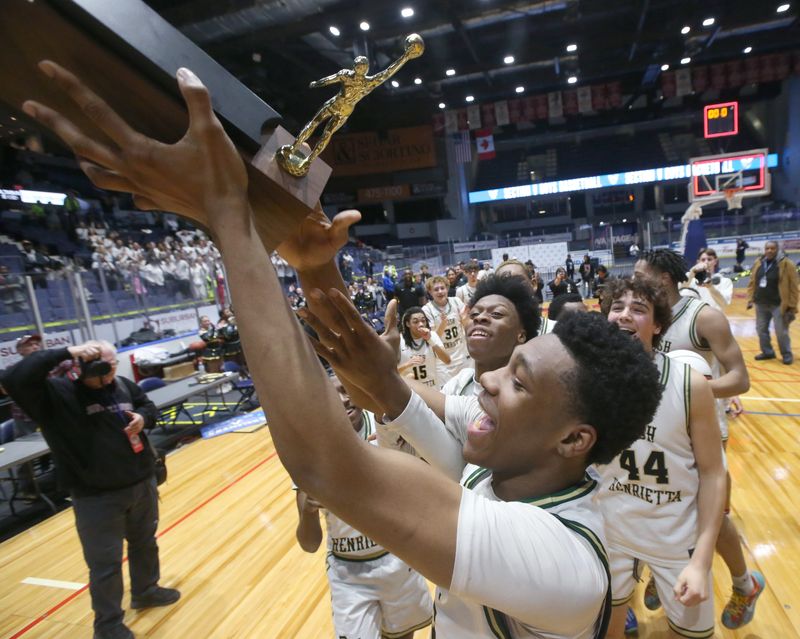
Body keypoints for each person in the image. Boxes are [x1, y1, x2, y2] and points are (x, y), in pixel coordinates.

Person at [24, 64, 660, 636]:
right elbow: (380, 382)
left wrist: (227, 213)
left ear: (575, 440)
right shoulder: (509, 462)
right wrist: (311, 268)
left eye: (518, 383)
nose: (487, 384)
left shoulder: (561, 559)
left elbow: (326, 465)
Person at [0, 339, 179, 639]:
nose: (107, 375)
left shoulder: (121, 384)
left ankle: (146, 590)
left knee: (145, 542)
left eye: (111, 366)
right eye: (98, 367)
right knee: (105, 564)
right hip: (96, 497)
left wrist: (143, 418)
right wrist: (66, 352)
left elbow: (147, 404)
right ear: (78, 366)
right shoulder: (55, 395)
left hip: (140, 482)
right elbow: (12, 378)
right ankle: (108, 625)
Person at [635, 249, 763, 631]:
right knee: (652, 501)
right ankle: (663, 567)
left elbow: (740, 379)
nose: (636, 281)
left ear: (663, 279)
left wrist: (695, 391)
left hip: (704, 431)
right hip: (657, 429)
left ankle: (744, 584)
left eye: (642, 275)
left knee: (710, 514)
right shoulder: (647, 318)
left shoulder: (702, 316)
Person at [599, 277, 726, 639]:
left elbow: (714, 474)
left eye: (638, 309)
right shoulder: (586, 379)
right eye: (617, 308)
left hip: (675, 535)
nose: (624, 315)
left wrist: (701, 562)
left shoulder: (689, 383)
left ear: (657, 325)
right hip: (612, 530)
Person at [295, 375, 432, 639]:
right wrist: (307, 511)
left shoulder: (385, 430)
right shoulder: (311, 453)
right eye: (334, 393)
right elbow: (309, 544)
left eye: (347, 390)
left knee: (403, 635)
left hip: (398, 559)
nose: (344, 398)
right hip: (349, 573)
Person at [440, 274, 540, 398]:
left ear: (521, 335)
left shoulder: (533, 394)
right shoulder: (457, 384)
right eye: (474, 314)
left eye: (496, 314)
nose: (480, 317)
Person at [746, 240, 798, 365]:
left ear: (777, 249)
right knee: (761, 330)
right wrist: (750, 299)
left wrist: (791, 306)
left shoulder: (787, 264)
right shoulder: (759, 262)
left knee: (781, 332)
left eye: (772, 248)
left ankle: (786, 354)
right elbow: (753, 281)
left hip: (779, 304)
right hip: (761, 303)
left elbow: (794, 287)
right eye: (767, 248)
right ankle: (768, 352)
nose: (769, 251)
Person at [423, 275, 469, 384]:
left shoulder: (456, 301)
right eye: (436, 289)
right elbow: (433, 338)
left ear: (447, 288)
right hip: (443, 361)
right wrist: (443, 324)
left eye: (442, 288)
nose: (440, 292)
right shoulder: (426, 309)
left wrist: (464, 319)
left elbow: (466, 326)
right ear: (430, 292)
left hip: (461, 355)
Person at [398, 306, 450, 388]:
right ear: (408, 324)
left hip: (433, 389)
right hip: (412, 392)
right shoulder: (399, 341)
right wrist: (407, 364)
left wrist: (430, 340)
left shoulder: (432, 335)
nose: (421, 324)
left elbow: (447, 360)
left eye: (423, 320)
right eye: (415, 322)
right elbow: (391, 372)